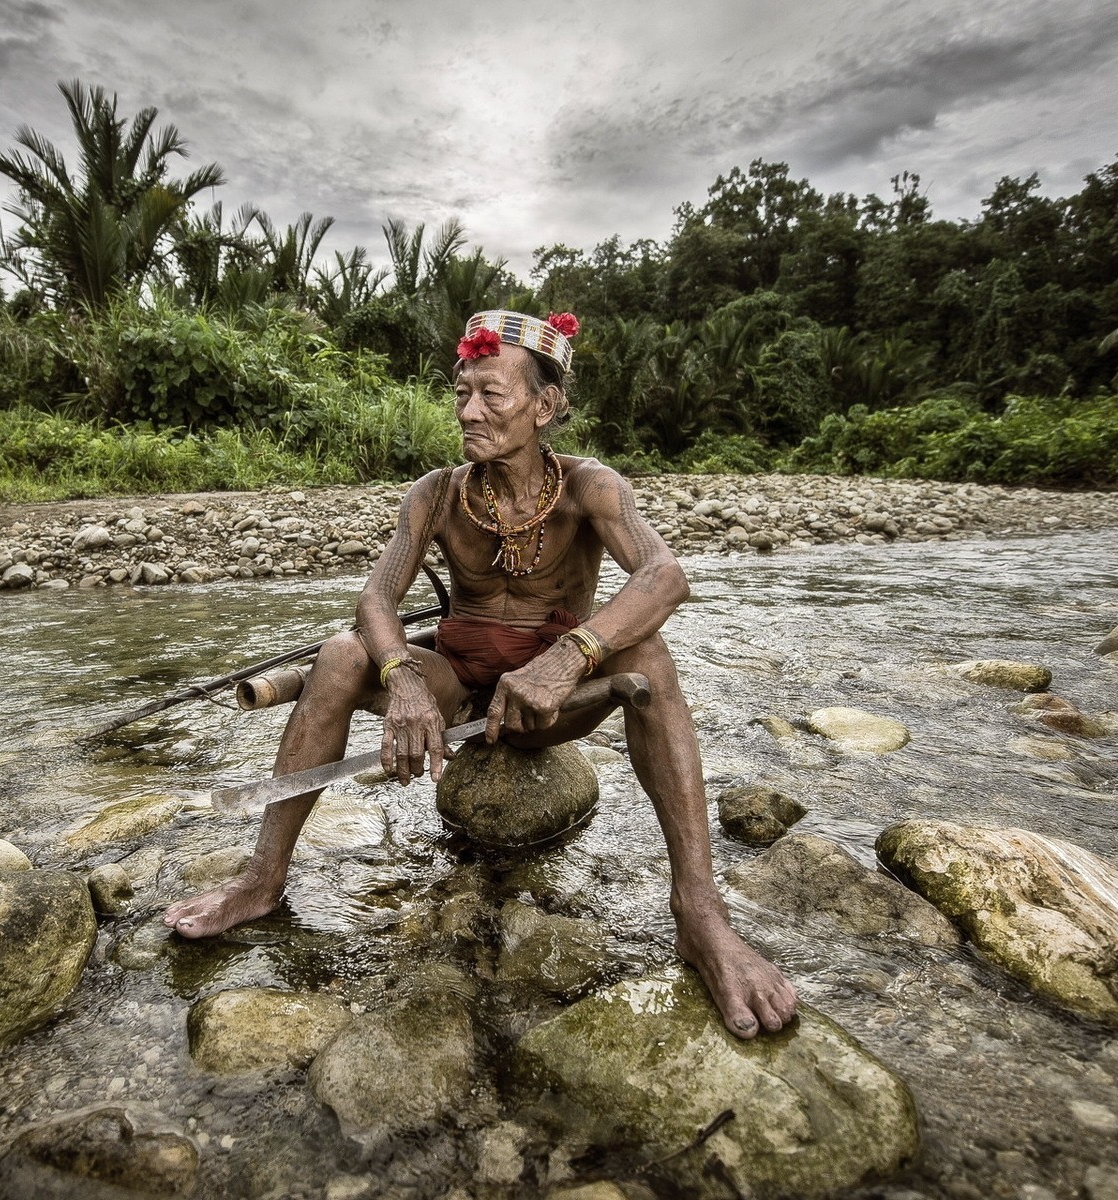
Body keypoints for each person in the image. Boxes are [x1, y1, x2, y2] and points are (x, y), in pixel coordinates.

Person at [164, 310, 798, 1038]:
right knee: (341, 653)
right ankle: (261, 879)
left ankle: (699, 912)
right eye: (462, 392)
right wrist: (401, 677)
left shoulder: (591, 487)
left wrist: (568, 656)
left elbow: (665, 577)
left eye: (492, 395)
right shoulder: (437, 492)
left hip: (549, 706)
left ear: (546, 406)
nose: (468, 410)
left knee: (649, 657)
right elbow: (375, 599)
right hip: (457, 689)